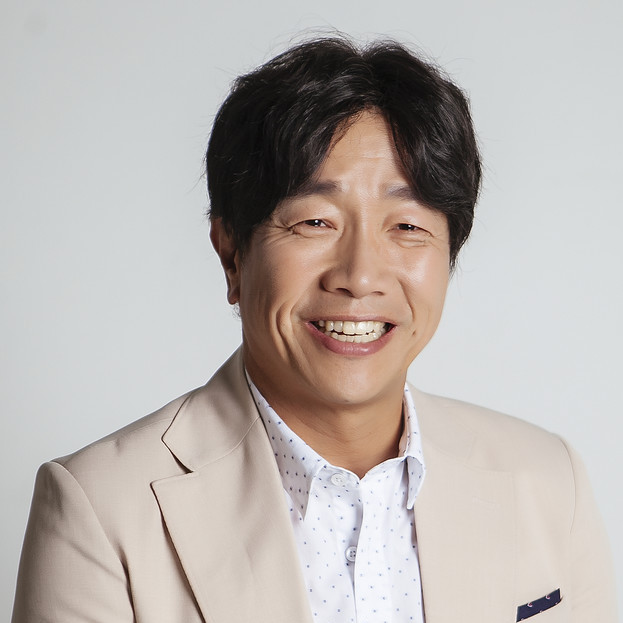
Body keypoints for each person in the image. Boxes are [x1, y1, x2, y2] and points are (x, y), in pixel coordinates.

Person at [12, 36, 616, 623]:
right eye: (315, 222)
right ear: (232, 254)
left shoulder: (547, 478)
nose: (360, 276)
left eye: (407, 226)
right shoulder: (102, 508)